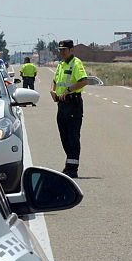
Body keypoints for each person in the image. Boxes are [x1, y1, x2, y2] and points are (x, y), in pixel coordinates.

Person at [51, 41, 87, 177]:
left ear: (71, 50)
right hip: (61, 104)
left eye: (64, 49)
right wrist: (52, 91)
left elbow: (84, 80)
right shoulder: (61, 64)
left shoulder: (76, 63)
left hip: (73, 103)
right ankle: (69, 164)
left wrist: (68, 90)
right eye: (60, 50)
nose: (62, 52)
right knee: (64, 136)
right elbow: (55, 81)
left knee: (72, 136)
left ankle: (72, 168)